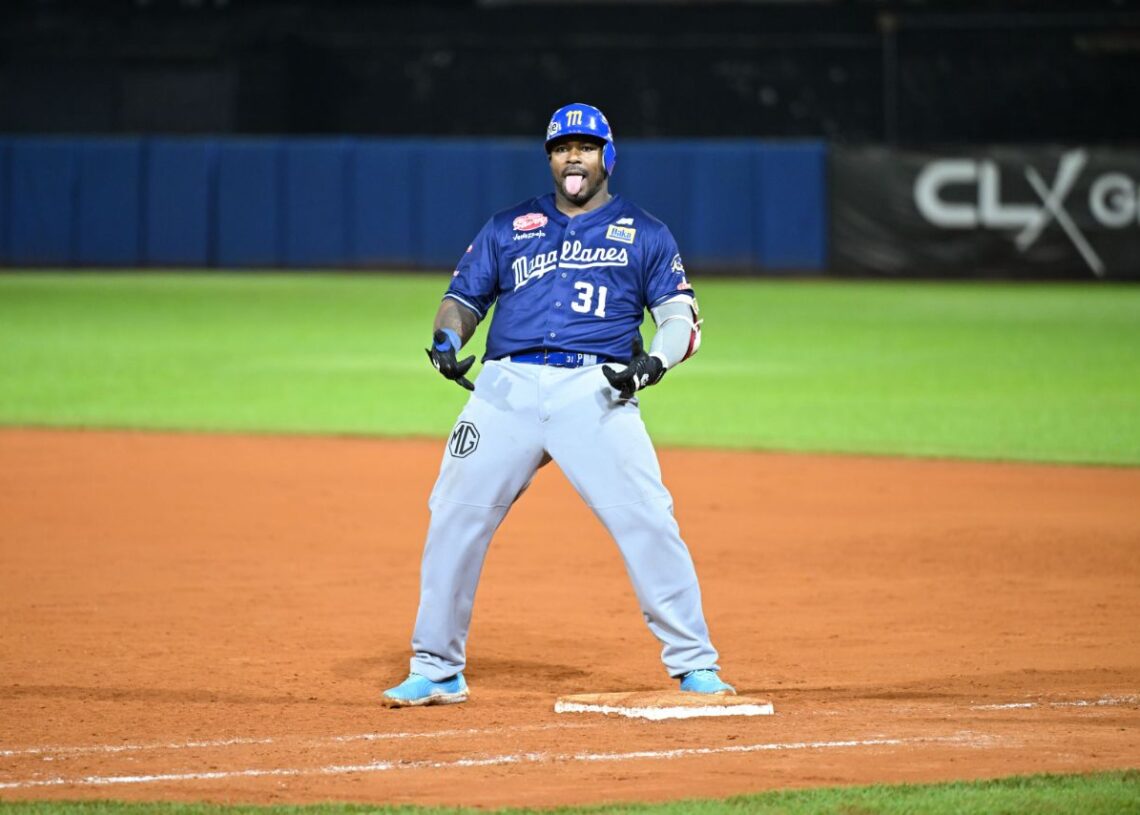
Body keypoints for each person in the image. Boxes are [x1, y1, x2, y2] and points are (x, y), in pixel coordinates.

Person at [381, 103, 733, 707]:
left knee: (646, 517)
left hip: (596, 390)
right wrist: (447, 338)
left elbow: (679, 316)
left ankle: (694, 663)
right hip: (505, 390)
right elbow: (462, 298)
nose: (573, 156)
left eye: (586, 146)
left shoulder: (646, 232)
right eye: (562, 146)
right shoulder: (507, 226)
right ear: (549, 158)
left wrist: (654, 361)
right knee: (454, 515)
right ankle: (436, 667)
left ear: (607, 157)